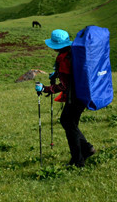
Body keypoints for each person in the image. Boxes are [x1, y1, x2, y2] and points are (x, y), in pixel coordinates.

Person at [36, 29, 95, 168]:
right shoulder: (73, 52)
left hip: (74, 97)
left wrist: (45, 89)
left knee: (68, 124)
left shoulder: (64, 58)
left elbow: (63, 86)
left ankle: (78, 160)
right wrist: (56, 73)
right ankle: (85, 150)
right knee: (70, 124)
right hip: (83, 93)